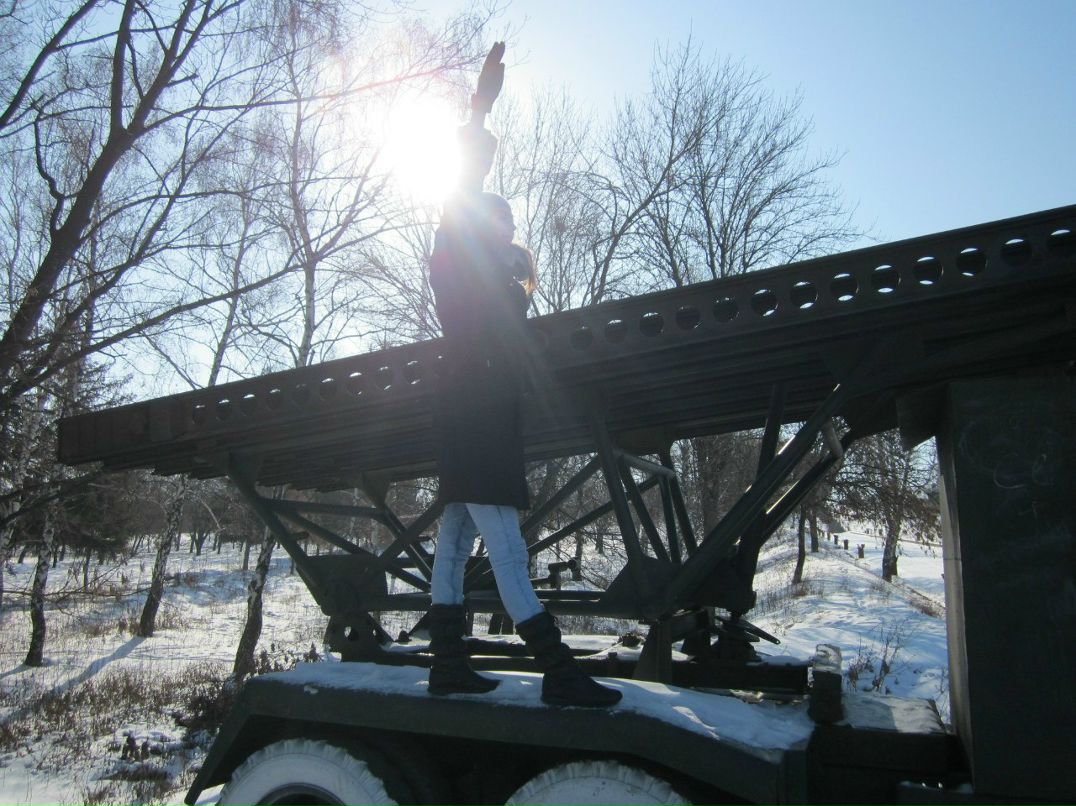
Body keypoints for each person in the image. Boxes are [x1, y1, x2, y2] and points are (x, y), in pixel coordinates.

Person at [426, 142, 621, 709]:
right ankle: (558, 672)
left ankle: (447, 666)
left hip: (477, 419)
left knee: (456, 547)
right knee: (508, 553)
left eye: (512, 222)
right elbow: (453, 210)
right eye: (500, 220)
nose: (511, 229)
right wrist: (477, 124)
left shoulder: (495, 287)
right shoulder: (459, 272)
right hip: (477, 423)